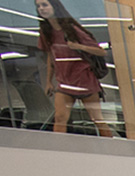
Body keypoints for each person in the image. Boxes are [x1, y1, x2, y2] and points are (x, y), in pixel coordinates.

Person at [35, 0, 112, 137]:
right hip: (64, 83)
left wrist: (79, 47)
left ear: (55, 7)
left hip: (85, 82)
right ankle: (60, 150)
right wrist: (48, 81)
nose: (41, 8)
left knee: (97, 120)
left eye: (45, 5)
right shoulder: (46, 32)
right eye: (38, 6)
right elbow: (51, 57)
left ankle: (113, 147)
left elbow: (101, 52)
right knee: (60, 118)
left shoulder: (72, 29)